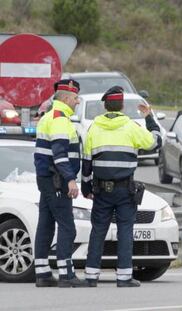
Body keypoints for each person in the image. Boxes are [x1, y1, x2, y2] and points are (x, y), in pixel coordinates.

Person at [81, 86, 162, 287]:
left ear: (105, 106)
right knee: (125, 231)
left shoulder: (94, 127)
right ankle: (124, 277)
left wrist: (86, 187)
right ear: (122, 106)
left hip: (100, 190)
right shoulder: (131, 127)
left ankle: (91, 276)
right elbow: (155, 142)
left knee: (98, 231)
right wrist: (149, 117)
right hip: (125, 190)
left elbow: (86, 161)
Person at [34, 79, 88, 287]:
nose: (77, 102)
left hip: (47, 178)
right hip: (56, 179)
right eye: (75, 98)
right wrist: (70, 179)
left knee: (46, 224)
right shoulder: (59, 119)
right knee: (67, 226)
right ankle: (67, 274)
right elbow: (59, 154)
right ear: (65, 98)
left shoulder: (50, 116)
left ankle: (43, 273)